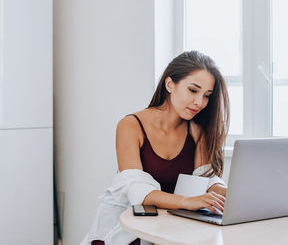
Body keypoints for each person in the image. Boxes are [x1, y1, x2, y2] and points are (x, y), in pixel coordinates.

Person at [81, 51, 230, 245]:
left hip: (171, 229)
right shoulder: (131, 125)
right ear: (170, 84)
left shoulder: (196, 131)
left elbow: (205, 180)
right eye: (193, 90)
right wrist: (186, 202)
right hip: (127, 231)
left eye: (207, 96)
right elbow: (137, 189)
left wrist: (231, 193)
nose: (199, 102)